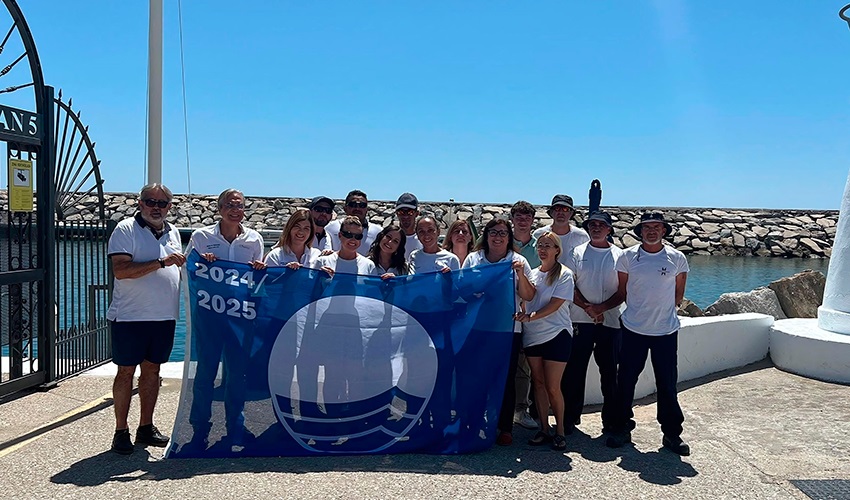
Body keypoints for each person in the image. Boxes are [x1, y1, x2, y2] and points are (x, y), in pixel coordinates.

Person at [106, 183, 185, 455]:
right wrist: (161, 263)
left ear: (169, 207)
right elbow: (121, 270)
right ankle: (120, 431)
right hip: (130, 316)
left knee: (152, 371)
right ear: (140, 203)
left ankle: (145, 427)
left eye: (162, 203)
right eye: (150, 201)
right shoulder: (125, 229)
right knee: (126, 371)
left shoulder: (173, 232)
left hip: (163, 316)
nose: (156, 207)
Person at [184, 189, 265, 450]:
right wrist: (201, 264)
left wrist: (260, 268)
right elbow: (188, 269)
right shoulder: (201, 236)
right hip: (209, 315)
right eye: (229, 205)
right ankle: (199, 428)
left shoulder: (254, 239)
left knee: (237, 375)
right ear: (219, 208)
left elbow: (257, 280)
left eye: (239, 205)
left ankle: (235, 427)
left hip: (240, 317)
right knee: (205, 373)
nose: (235, 209)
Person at [606, 212, 691, 456]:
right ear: (640, 231)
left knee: (667, 384)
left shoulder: (677, 258)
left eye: (656, 227)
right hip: (632, 329)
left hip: (665, 331)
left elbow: (678, 296)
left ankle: (672, 434)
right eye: (647, 227)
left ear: (664, 231)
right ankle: (622, 427)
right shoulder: (627, 257)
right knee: (626, 382)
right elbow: (622, 291)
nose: (651, 231)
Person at [462, 218, 535, 446]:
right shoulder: (474, 259)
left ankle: (504, 426)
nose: (497, 237)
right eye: (493, 232)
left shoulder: (518, 260)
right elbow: (464, 289)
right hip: (480, 328)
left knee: (506, 378)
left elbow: (529, 295)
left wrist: (521, 275)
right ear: (486, 235)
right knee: (476, 377)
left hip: (508, 330)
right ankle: (474, 422)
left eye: (502, 233)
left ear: (509, 237)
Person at [562, 211, 624, 436]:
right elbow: (570, 284)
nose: (596, 228)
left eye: (601, 225)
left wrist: (602, 309)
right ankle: (569, 418)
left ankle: (611, 421)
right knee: (574, 372)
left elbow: (623, 290)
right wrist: (589, 309)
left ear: (609, 229)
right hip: (580, 320)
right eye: (592, 224)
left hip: (610, 322)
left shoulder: (620, 255)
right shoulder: (576, 253)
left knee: (610, 373)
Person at [515, 231, 574, 451]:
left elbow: (556, 304)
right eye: (540, 245)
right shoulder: (533, 274)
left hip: (557, 335)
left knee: (552, 386)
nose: (542, 249)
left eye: (548, 246)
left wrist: (531, 316)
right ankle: (544, 429)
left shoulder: (565, 274)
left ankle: (559, 431)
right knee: (537, 384)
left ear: (557, 250)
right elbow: (526, 297)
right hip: (533, 337)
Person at [510, 201, 541, 431]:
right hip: (501, 318)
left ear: (532, 219)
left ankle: (521, 409)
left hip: (531, 316)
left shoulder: (539, 247)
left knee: (524, 367)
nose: (522, 219)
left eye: (527, 216)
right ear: (512, 218)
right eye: (518, 215)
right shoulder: (500, 242)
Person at [532, 194, 590, 264]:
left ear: (571, 213)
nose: (561, 212)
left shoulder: (582, 237)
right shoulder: (538, 234)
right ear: (551, 212)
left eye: (565, 209)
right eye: (557, 209)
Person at [324, 190, 382, 256]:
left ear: (367, 209)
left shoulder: (378, 232)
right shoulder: (330, 228)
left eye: (362, 205)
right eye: (353, 205)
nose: (357, 208)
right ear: (345, 208)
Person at [395, 192, 423, 259]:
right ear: (396, 213)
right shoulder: (390, 240)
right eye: (401, 212)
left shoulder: (423, 240)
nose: (405, 216)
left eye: (410, 212)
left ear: (417, 214)